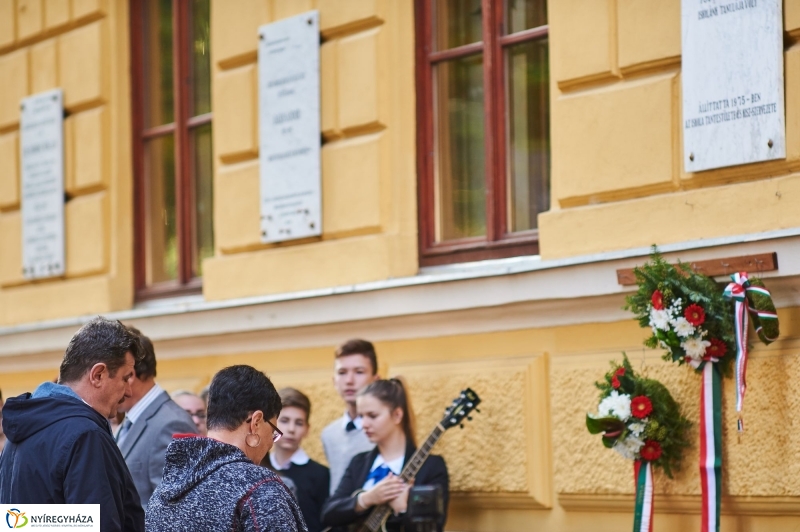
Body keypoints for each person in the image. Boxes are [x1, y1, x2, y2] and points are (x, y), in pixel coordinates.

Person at [0, 316, 145, 532]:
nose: (129, 391)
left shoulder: (23, 430)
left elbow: (18, 523)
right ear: (98, 375)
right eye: (125, 378)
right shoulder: (85, 436)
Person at [146, 365, 307, 532]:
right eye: (273, 431)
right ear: (256, 422)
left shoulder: (162, 493)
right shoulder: (260, 488)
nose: (271, 443)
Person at [321, 378, 449, 532]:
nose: (364, 424)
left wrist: (403, 509)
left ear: (397, 415)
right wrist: (366, 499)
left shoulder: (431, 467)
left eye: (372, 416)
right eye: (361, 416)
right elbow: (328, 514)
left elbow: (434, 527)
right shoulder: (359, 463)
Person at [116, 327, 197, 509]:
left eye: (110, 374)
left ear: (130, 375)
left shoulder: (171, 424)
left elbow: (174, 512)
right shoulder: (131, 419)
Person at [264, 388, 329, 532]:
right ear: (272, 423)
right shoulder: (260, 468)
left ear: (307, 429)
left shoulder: (321, 475)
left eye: (299, 423)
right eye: (285, 421)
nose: (291, 429)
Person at [321, 339, 380, 493]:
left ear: (376, 379)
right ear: (334, 381)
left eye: (359, 372)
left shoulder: (384, 429)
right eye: (342, 372)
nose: (349, 380)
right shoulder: (329, 434)